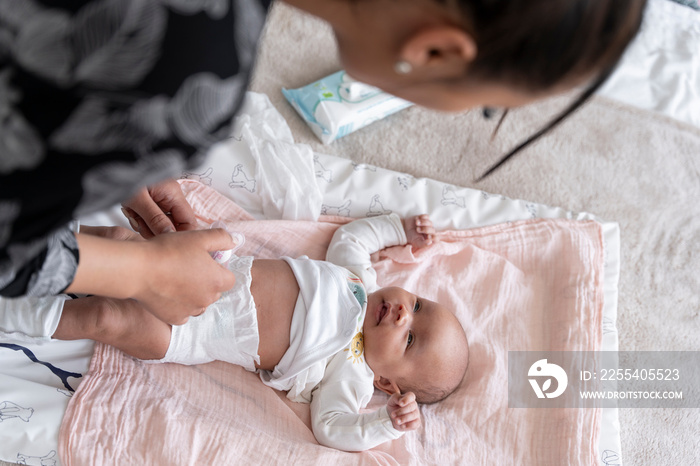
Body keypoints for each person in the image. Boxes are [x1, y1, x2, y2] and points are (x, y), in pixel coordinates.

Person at [0, 0, 647, 325]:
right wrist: (139, 272)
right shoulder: (188, 79)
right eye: (482, 106)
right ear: (436, 52)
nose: (402, 314)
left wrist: (103, 150)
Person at [45, 214, 470, 451]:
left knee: (107, 319)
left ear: (386, 381)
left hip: (190, 333)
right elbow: (353, 237)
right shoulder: (358, 279)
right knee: (122, 240)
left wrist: (385, 424)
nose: (401, 313)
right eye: (417, 305)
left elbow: (332, 428)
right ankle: (40, 241)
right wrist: (401, 231)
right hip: (199, 272)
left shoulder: (352, 375)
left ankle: (27, 314)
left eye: (410, 337)